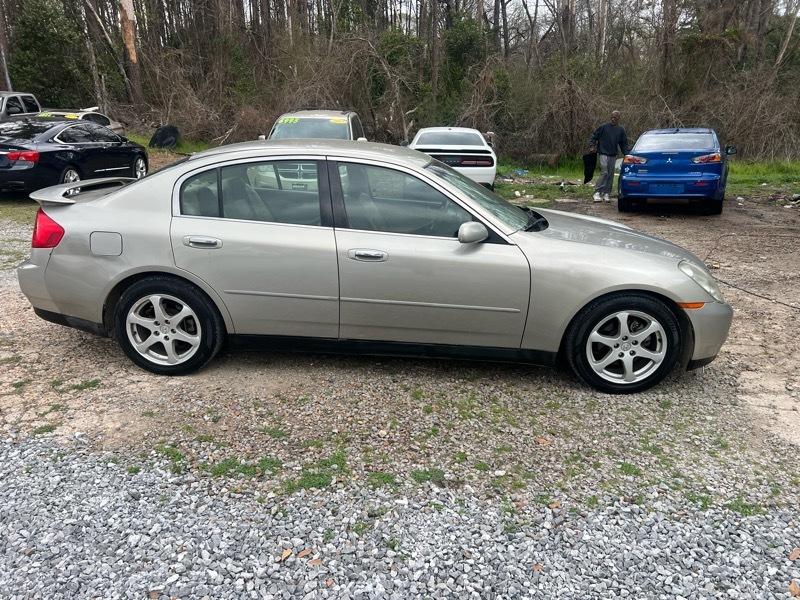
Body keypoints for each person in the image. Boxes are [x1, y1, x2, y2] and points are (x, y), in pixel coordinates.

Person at [589, 111, 628, 203]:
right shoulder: (604, 127)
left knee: (610, 174)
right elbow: (594, 136)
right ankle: (597, 192)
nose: (613, 119)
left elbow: (623, 144)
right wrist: (592, 146)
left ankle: (606, 193)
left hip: (613, 154)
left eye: (615, 117)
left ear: (619, 118)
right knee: (604, 172)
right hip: (603, 153)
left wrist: (627, 154)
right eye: (612, 117)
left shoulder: (621, 130)